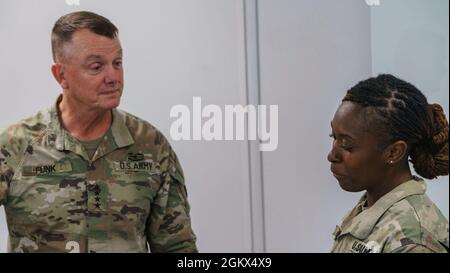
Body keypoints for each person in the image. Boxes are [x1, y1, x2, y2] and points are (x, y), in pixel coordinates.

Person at [0, 11, 197, 253]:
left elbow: (177, 247)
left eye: (117, 63)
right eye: (97, 67)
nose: (113, 77)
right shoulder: (14, 146)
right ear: (61, 75)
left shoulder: (151, 146)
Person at [328, 74, 449, 253]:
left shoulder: (414, 241)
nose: (331, 155)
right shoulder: (372, 208)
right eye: (334, 137)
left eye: (347, 145)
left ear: (394, 152)